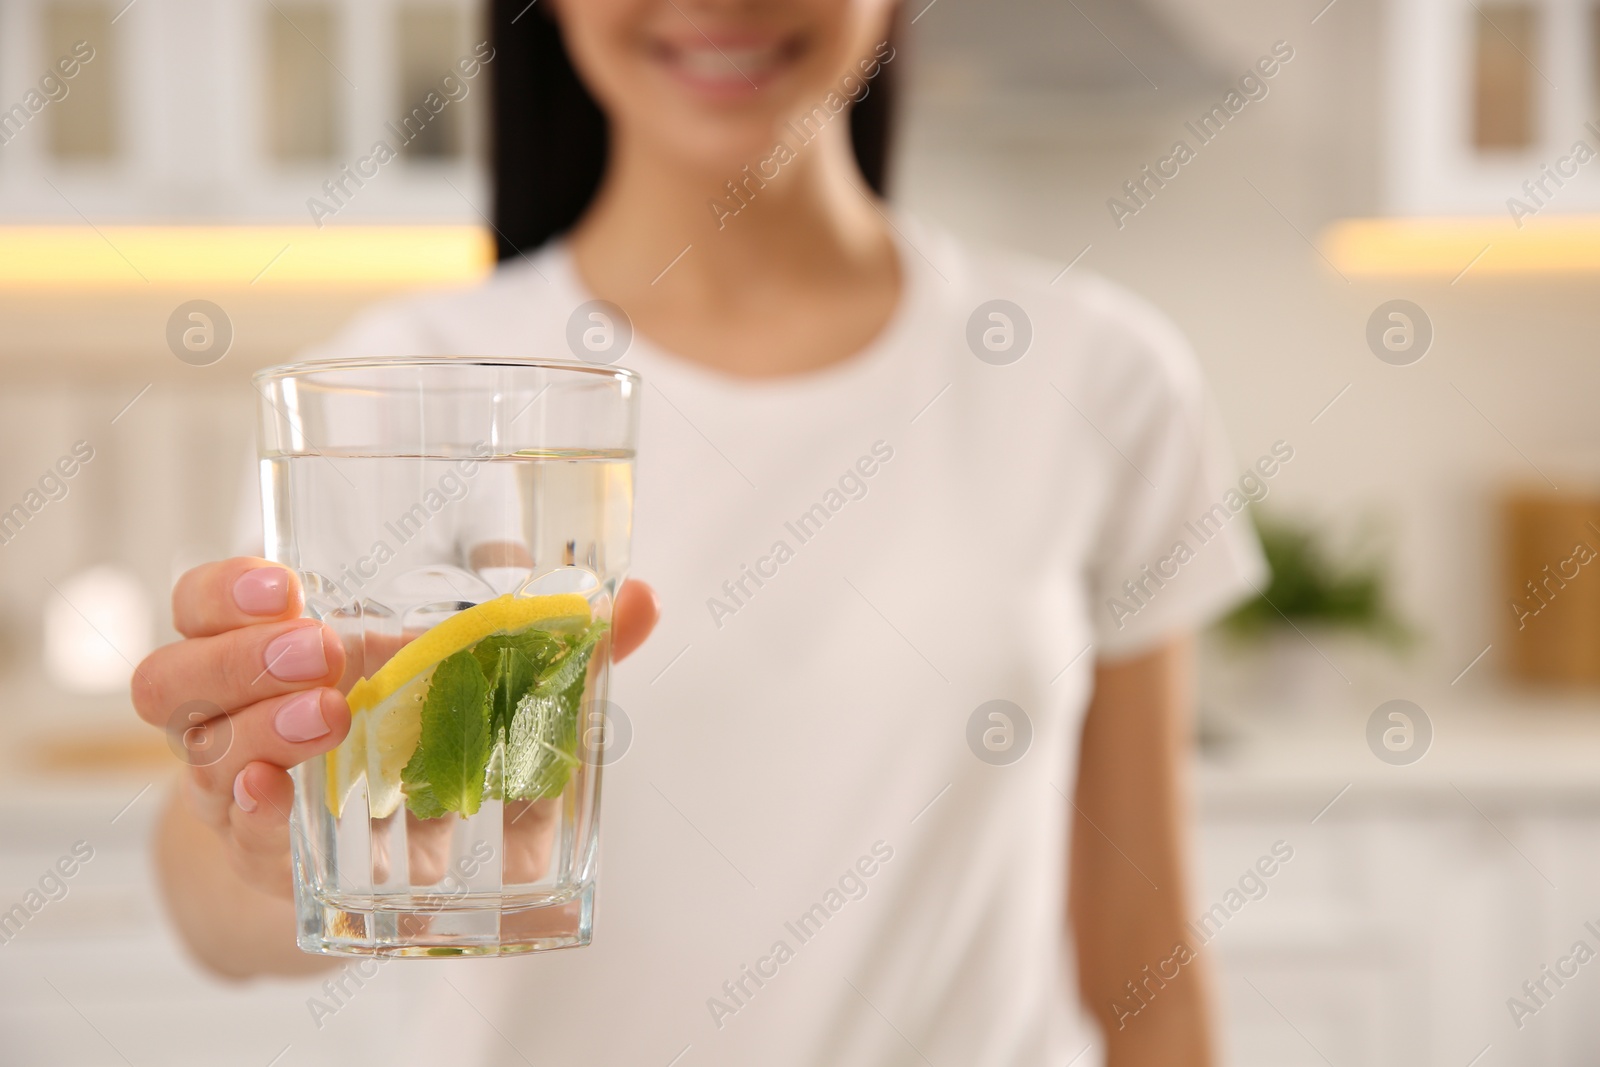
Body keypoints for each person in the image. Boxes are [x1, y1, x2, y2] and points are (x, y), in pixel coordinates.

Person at [134, 1, 1265, 1064]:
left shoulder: (1099, 376)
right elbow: (220, 908)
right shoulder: (400, 391)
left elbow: (1143, 959)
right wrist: (260, 834)